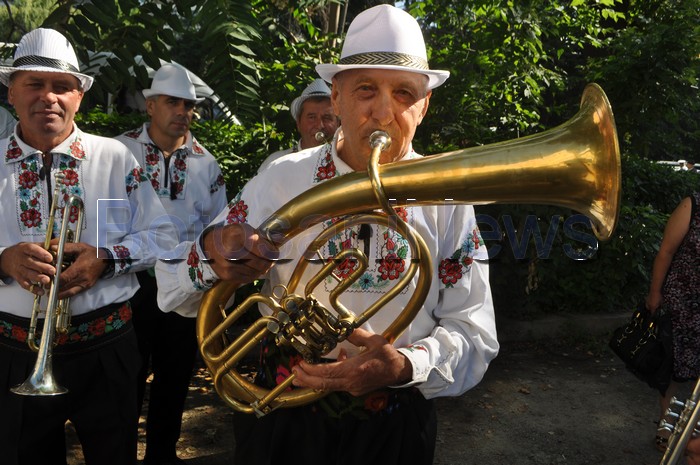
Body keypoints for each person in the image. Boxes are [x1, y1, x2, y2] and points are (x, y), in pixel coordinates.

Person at [156, 5, 498, 465]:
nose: (383, 112)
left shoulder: (449, 201)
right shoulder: (281, 178)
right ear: (335, 99)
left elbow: (474, 332)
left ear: (424, 105)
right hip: (280, 411)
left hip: (392, 419)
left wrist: (405, 366)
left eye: (403, 93)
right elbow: (171, 287)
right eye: (365, 90)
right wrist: (212, 253)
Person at [0, 28, 174, 465]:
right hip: (13, 352)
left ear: (79, 96)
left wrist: (107, 259)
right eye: (34, 85)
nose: (49, 97)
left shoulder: (114, 158)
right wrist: (1, 258)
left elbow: (161, 237)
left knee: (114, 455)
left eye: (62, 87)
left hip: (106, 348)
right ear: (11, 92)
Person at [115, 62, 227, 465]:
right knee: (125, 377)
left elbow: (220, 224)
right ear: (150, 105)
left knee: (175, 377)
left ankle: (162, 455)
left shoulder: (205, 163)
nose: (183, 111)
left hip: (186, 283)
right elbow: (107, 223)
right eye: (172, 102)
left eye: (189, 105)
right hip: (131, 282)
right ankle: (120, 453)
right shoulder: (119, 151)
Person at [646, 193, 700, 451]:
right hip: (682, 302)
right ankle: (666, 428)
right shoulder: (693, 204)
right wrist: (655, 292)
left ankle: (694, 433)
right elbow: (666, 251)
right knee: (672, 368)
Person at [257, 78, 339, 172]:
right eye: (311, 117)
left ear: (338, 123)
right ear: (298, 124)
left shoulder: (347, 161)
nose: (320, 125)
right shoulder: (275, 163)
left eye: (327, 118)